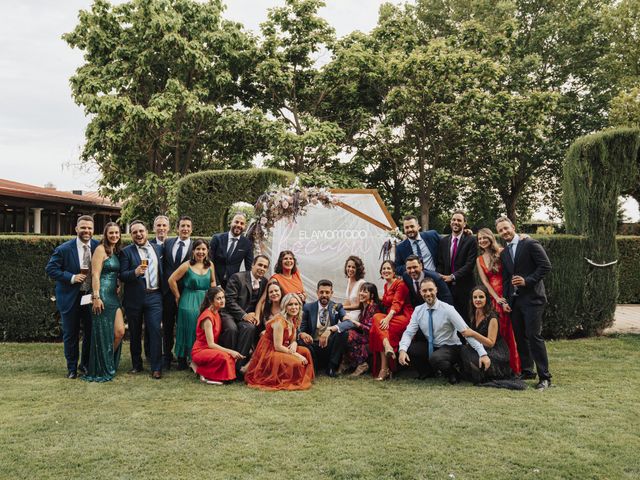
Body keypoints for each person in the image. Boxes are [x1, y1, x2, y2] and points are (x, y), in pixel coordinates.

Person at [398, 278, 491, 384]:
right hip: (432, 345)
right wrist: (402, 350)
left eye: (430, 290)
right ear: (420, 292)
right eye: (424, 291)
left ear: (436, 290)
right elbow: (409, 333)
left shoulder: (448, 309)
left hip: (452, 347)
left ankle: (453, 374)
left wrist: (482, 353)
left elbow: (466, 332)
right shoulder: (418, 310)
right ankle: (428, 373)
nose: (428, 293)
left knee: (436, 357)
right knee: (410, 349)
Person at [496, 216, 553, 390]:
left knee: (534, 336)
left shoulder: (529, 243)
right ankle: (527, 370)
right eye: (501, 230)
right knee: (520, 337)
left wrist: (527, 281)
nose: (504, 232)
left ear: (513, 226)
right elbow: (506, 279)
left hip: (533, 299)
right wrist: (505, 300)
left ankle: (545, 377)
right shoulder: (504, 253)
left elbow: (545, 266)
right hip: (514, 302)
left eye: (506, 228)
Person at [45, 215, 98, 378]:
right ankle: (72, 368)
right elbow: (50, 269)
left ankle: (86, 365)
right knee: (70, 334)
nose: (86, 231)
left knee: (90, 332)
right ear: (76, 229)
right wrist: (72, 277)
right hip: (70, 298)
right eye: (83, 228)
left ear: (93, 230)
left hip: (90, 298)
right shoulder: (64, 249)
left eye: (89, 228)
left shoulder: (98, 247)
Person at [119, 220, 164, 379]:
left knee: (155, 330)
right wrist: (135, 272)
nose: (138, 234)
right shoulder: (126, 252)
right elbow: (122, 275)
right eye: (135, 232)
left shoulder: (158, 249)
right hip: (135, 298)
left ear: (147, 232)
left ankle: (156, 367)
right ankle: (136, 364)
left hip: (155, 296)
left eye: (141, 231)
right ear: (131, 235)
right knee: (135, 332)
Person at [245, 293, 314, 391]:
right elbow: (277, 346)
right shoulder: (280, 321)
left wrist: (294, 343)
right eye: (290, 305)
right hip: (270, 350)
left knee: (306, 352)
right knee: (298, 361)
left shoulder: (294, 319)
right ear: (285, 306)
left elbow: (293, 340)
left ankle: (299, 378)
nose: (294, 307)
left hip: (281, 347)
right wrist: (297, 355)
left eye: (296, 304)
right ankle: (289, 380)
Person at [84, 222, 125, 382]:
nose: (114, 235)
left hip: (113, 297)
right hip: (101, 296)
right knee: (102, 333)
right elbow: (95, 274)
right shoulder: (100, 249)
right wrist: (96, 297)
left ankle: (107, 362)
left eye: (117, 233)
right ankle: (100, 367)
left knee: (119, 332)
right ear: (105, 235)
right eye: (111, 233)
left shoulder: (116, 251)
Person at [476, 227, 521, 374]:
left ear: (490, 238)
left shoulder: (502, 252)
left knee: (510, 331)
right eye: (479, 239)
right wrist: (496, 298)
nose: (482, 241)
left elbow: (510, 273)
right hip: (494, 298)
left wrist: (506, 298)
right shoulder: (479, 259)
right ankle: (500, 366)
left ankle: (516, 367)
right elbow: (486, 282)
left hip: (508, 294)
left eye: (484, 238)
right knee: (498, 332)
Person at [168, 238, 216, 369]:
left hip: (205, 300)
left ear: (207, 251)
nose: (201, 252)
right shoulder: (187, 265)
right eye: (198, 249)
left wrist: (213, 296)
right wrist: (177, 296)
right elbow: (171, 280)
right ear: (193, 251)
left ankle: (198, 358)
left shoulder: (210, 265)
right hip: (188, 300)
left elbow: (212, 281)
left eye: (203, 249)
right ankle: (183, 358)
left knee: (201, 330)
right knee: (188, 328)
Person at [219, 255, 269, 373]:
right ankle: (226, 364)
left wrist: (256, 316)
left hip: (248, 318)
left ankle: (238, 367)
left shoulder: (264, 282)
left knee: (250, 328)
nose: (262, 268)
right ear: (253, 265)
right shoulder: (237, 277)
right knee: (232, 329)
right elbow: (229, 300)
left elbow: (261, 302)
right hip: (230, 313)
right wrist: (244, 315)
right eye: (260, 265)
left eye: (265, 267)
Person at [369, 260, 414, 380]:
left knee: (377, 326)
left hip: (404, 316)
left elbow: (397, 303)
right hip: (392, 316)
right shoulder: (385, 285)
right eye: (383, 269)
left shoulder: (400, 284)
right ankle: (387, 351)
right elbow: (386, 302)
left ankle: (384, 369)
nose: (386, 271)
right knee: (377, 325)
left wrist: (388, 318)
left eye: (388, 268)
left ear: (394, 271)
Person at [460, 286, 514, 383]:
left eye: (481, 297)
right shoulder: (474, 311)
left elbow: (491, 343)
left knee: (471, 355)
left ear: (487, 299)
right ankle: (477, 372)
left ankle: (483, 374)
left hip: (496, 351)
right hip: (482, 347)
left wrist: (473, 333)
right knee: (464, 350)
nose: (478, 300)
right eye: (475, 297)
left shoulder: (492, 317)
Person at [191, 287, 244, 385]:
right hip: (201, 350)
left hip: (210, 349)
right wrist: (231, 351)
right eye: (218, 298)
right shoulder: (207, 317)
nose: (222, 300)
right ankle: (201, 371)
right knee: (225, 356)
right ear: (211, 301)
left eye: (223, 297)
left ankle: (217, 376)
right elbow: (211, 344)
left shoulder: (216, 312)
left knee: (228, 357)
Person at [298, 280, 351, 377]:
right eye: (321, 292)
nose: (324, 295)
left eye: (327, 292)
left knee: (344, 333)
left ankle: (332, 367)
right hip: (313, 344)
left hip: (329, 345)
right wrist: (303, 334)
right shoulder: (308, 307)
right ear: (317, 292)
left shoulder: (337, 307)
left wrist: (329, 329)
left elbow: (348, 323)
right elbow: (302, 328)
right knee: (300, 339)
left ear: (332, 293)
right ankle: (313, 366)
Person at [161, 216, 193, 370]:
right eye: (182, 226)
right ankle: (166, 357)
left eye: (188, 226)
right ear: (177, 228)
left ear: (191, 229)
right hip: (167, 293)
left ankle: (182, 358)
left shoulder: (196, 247)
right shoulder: (168, 243)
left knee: (183, 326)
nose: (185, 229)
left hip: (186, 294)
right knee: (167, 326)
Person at [437, 211, 478, 320]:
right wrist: (439, 276)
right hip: (447, 288)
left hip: (465, 287)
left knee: (466, 319)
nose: (456, 222)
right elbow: (441, 262)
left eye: (459, 220)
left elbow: (470, 265)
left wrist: (453, 276)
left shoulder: (471, 240)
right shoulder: (444, 241)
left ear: (465, 224)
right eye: (454, 220)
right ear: (450, 222)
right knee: (449, 318)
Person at [344, 282, 381, 377]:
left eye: (365, 292)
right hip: (365, 336)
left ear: (371, 295)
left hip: (372, 337)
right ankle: (347, 363)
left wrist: (355, 322)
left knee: (349, 334)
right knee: (346, 334)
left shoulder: (373, 307)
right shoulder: (365, 305)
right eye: (360, 291)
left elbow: (370, 328)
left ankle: (361, 364)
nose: (361, 293)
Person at [209, 212, 254, 288]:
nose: (239, 225)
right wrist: (215, 282)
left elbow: (249, 268)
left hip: (232, 284)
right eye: (236, 222)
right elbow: (210, 261)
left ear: (245, 227)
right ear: (231, 223)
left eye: (242, 223)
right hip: (213, 281)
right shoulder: (217, 239)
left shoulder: (247, 244)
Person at [343, 255, 366, 321]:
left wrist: (342, 308)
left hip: (358, 314)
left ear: (358, 269)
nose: (350, 269)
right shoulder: (349, 280)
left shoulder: (361, 283)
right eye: (349, 266)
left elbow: (359, 306)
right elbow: (348, 301)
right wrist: (337, 306)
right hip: (350, 312)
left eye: (353, 267)